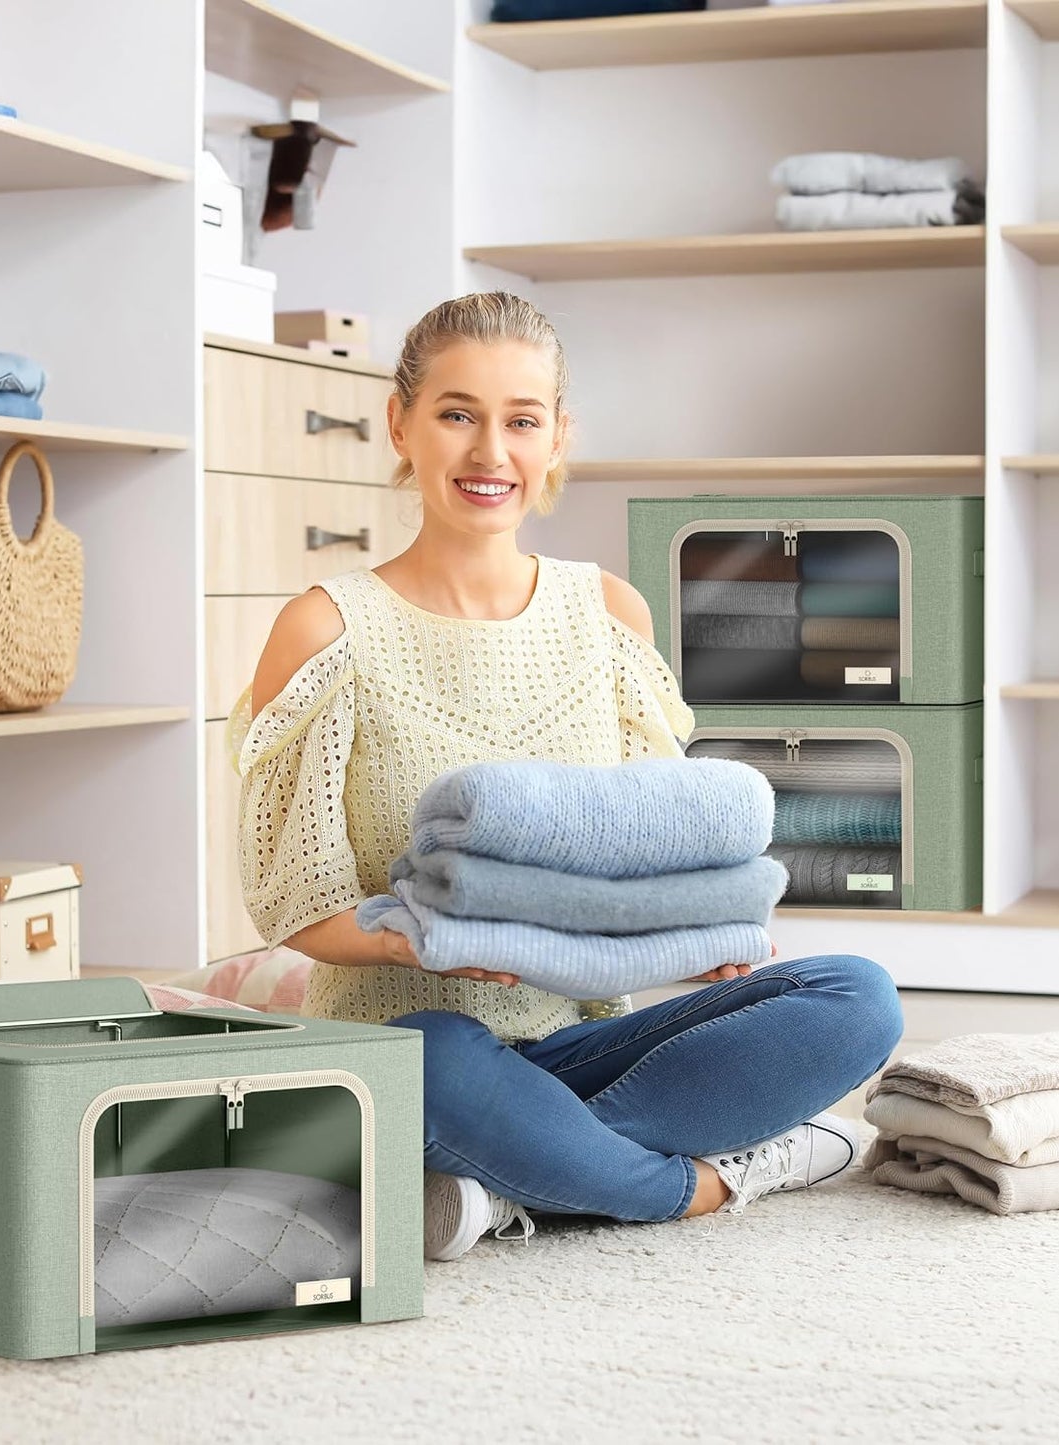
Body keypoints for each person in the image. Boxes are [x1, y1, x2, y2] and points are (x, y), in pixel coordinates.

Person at [229, 291, 904, 1262]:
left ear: (556, 438)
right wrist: (426, 946)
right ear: (400, 424)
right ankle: (701, 1181)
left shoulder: (606, 616)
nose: (488, 452)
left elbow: (665, 853)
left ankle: (506, 1183)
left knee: (856, 996)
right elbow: (292, 901)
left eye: (520, 419)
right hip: (417, 1046)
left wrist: (689, 934)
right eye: (457, 413)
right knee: (434, 1058)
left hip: (582, 1045)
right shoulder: (326, 629)